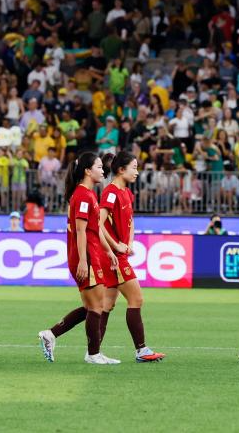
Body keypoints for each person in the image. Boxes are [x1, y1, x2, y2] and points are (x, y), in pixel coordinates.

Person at [38, 152, 118, 365]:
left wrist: (108, 251)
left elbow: (95, 228)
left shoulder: (87, 194)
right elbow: (81, 231)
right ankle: (93, 354)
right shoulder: (83, 195)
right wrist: (83, 260)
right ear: (87, 171)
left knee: (92, 305)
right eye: (99, 167)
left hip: (92, 255)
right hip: (86, 257)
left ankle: (51, 334)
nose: (103, 170)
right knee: (97, 306)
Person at [98, 152, 166, 362]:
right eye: (134, 167)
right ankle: (141, 350)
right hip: (114, 257)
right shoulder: (110, 193)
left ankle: (93, 352)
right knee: (136, 299)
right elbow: (98, 223)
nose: (137, 172)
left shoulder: (126, 192)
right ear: (121, 169)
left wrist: (129, 242)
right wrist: (116, 245)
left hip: (119, 254)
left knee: (106, 304)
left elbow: (131, 221)